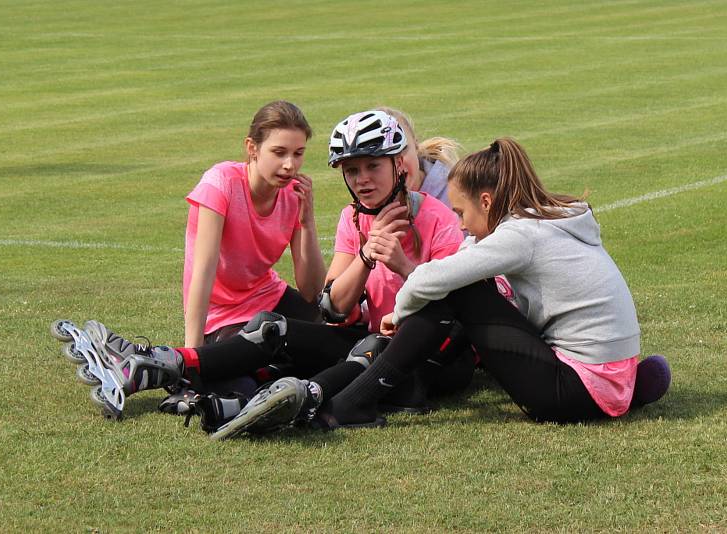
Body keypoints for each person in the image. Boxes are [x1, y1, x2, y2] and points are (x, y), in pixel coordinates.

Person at [226, 137, 672, 435]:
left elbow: (438, 277)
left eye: (461, 213)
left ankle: (353, 404)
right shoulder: (552, 220)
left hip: (571, 391)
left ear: (487, 201)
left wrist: (398, 314)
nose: (461, 225)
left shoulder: (518, 235)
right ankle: (636, 386)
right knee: (470, 289)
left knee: (458, 288)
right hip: (606, 380)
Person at [77, 110, 472, 426]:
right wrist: (366, 258)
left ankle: (273, 400)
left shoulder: (438, 218)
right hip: (362, 343)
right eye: (352, 171)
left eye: (373, 167)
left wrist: (403, 264)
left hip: (422, 360)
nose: (363, 179)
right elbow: (333, 308)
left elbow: (449, 313)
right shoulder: (353, 219)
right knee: (274, 329)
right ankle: (161, 363)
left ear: (399, 166)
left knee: (363, 348)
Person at [183, 100, 325, 348]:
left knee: (336, 327)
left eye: (298, 153)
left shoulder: (294, 194)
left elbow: (312, 292)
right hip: (221, 314)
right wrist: (192, 358)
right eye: (279, 153)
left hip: (267, 297)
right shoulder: (221, 184)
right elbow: (202, 274)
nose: (290, 165)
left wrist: (308, 222)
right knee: (249, 371)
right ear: (252, 148)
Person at [378, 107, 461, 207]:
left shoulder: (456, 193)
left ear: (416, 145)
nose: (394, 164)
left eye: (401, 149)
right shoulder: (366, 206)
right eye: (380, 157)